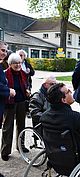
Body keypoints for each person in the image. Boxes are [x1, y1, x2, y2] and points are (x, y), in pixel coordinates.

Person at [1, 53, 30, 161]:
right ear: (10, 64)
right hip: (9, 103)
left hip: (21, 102)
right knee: (8, 127)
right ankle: (5, 151)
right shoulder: (5, 74)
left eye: (19, 62)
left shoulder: (23, 73)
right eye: (15, 63)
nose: (18, 65)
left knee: (21, 125)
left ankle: (20, 146)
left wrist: (27, 90)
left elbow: (26, 85)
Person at [0, 41, 15, 177]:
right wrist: (8, 90)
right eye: (2, 50)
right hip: (6, 105)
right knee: (7, 128)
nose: (4, 53)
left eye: (5, 51)